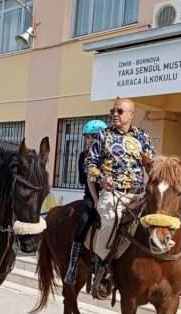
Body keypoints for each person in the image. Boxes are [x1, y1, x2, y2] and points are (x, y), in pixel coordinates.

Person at [85, 98, 155, 299]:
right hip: (113, 193)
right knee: (108, 223)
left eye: (120, 111)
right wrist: (101, 178)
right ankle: (101, 268)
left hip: (139, 193)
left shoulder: (143, 137)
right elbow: (90, 164)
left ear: (131, 115)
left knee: (159, 221)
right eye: (113, 111)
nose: (115, 114)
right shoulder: (103, 135)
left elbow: (150, 164)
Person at [63, 119, 108, 285]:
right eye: (87, 137)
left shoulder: (108, 156)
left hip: (110, 195)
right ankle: (73, 265)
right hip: (91, 195)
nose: (90, 140)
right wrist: (96, 197)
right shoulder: (84, 156)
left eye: (94, 137)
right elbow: (84, 180)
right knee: (83, 221)